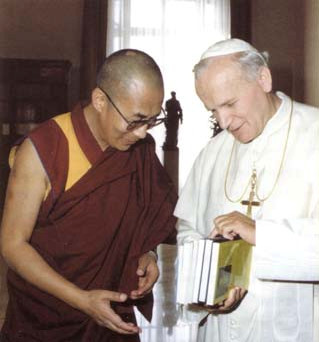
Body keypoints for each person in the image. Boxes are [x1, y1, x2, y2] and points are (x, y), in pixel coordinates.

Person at [0, 49, 177, 341]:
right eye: (136, 120)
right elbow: (12, 245)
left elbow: (147, 217)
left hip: (110, 315)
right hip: (46, 317)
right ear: (99, 101)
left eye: (153, 121)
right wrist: (82, 300)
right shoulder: (44, 148)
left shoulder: (139, 150)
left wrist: (148, 253)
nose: (144, 133)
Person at [174, 38, 319, 342]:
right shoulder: (212, 153)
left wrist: (261, 234)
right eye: (212, 110)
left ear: (263, 79)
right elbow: (187, 228)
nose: (223, 121)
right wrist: (207, 285)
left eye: (229, 104)